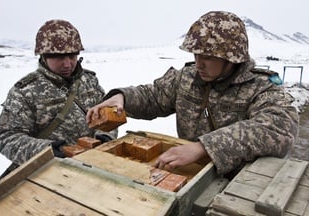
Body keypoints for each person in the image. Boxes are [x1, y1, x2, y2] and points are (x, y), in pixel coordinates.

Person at [86, 11, 299, 176]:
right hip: (189, 173)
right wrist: (122, 97)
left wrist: (204, 147)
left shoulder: (260, 86)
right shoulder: (187, 77)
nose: (199, 63)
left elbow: (281, 128)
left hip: (240, 184)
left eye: (207, 56)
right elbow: (154, 96)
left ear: (232, 58)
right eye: (196, 54)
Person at [0, 19, 117, 178]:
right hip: (49, 173)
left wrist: (105, 136)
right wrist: (48, 151)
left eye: (72, 55)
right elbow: (7, 138)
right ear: (44, 56)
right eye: (59, 57)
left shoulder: (89, 81)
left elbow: (107, 113)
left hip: (93, 166)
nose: (67, 64)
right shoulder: (26, 91)